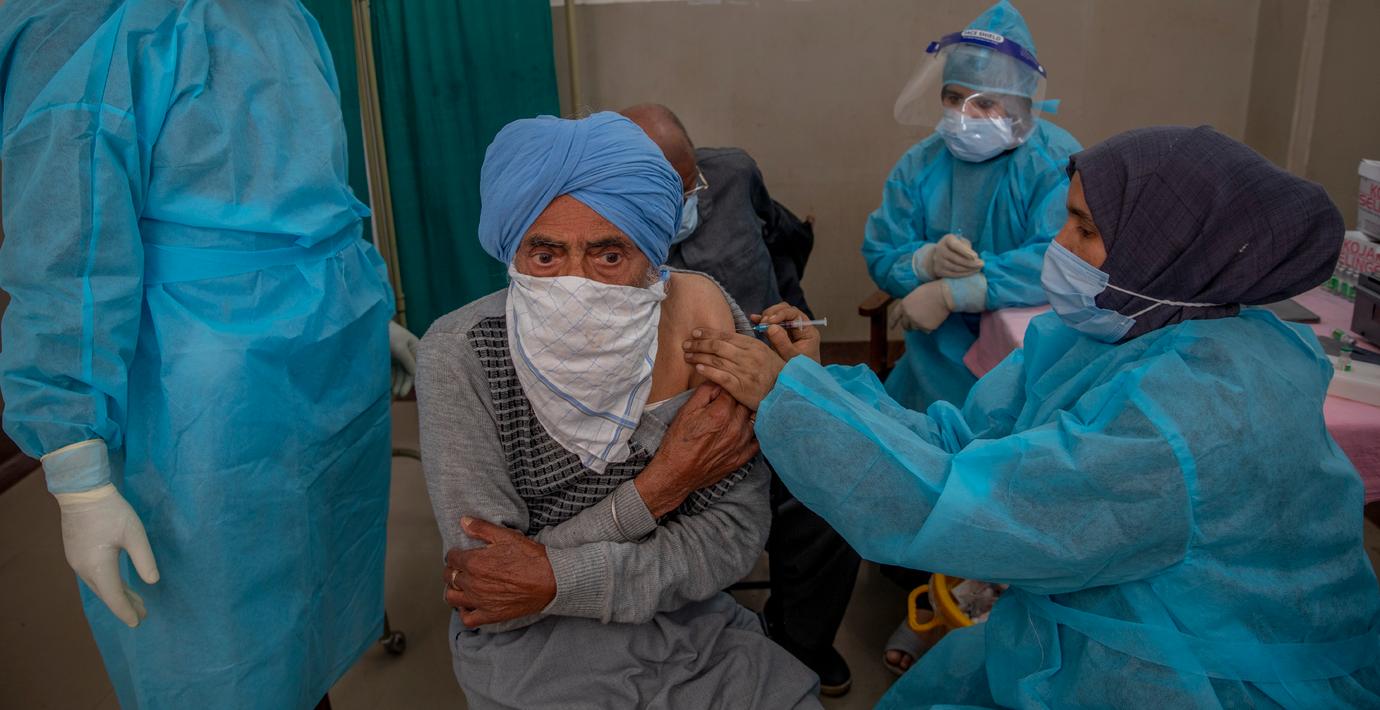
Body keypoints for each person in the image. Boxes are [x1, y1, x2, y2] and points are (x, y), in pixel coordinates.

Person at [684, 125, 1380, 707]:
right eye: (1066, 220)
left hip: (1198, 671)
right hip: (1097, 623)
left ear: (1167, 250)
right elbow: (965, 441)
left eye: (1086, 229)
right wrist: (816, 386)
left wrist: (792, 403)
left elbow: (971, 507)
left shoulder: (1192, 415)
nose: (1058, 246)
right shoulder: (1110, 333)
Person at [0, 2, 417, 707]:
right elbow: (65, 260)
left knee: (309, 608)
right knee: (223, 646)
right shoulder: (100, 28)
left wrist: (368, 305)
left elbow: (314, 194)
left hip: (325, 359)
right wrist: (76, 469)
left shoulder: (280, 14)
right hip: (202, 405)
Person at [417, 112, 819, 709]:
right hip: (533, 657)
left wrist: (554, 577)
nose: (577, 285)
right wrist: (662, 486)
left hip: (691, 631)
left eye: (609, 257)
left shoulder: (703, 326)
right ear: (513, 252)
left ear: (654, 256)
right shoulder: (462, 354)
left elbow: (732, 536)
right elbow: (493, 594)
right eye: (545, 256)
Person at [620, 103, 858, 696]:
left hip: (770, 396)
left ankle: (800, 642)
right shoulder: (603, 231)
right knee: (686, 533)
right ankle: (712, 648)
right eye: (662, 194)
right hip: (667, 427)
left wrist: (791, 324)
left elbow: (783, 243)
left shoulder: (732, 174)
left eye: (690, 184)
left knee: (832, 501)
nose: (684, 202)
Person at [864, 0, 1081, 412]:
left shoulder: (1054, 162)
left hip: (1028, 357)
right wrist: (924, 262)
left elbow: (1064, 257)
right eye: (953, 97)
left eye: (983, 103)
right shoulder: (920, 164)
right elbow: (881, 250)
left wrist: (960, 291)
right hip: (935, 362)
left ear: (1018, 106)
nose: (963, 115)